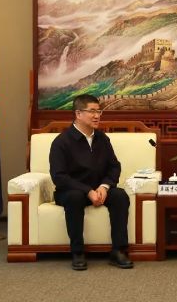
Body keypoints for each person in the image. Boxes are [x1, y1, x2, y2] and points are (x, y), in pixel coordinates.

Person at [49, 94, 133, 270]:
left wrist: (104, 186)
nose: (97, 116)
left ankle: (118, 250)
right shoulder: (61, 142)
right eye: (92, 111)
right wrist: (87, 191)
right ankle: (77, 252)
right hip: (71, 190)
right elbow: (59, 176)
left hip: (99, 188)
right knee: (74, 198)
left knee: (120, 196)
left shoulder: (102, 139)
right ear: (78, 114)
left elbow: (114, 167)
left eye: (99, 111)